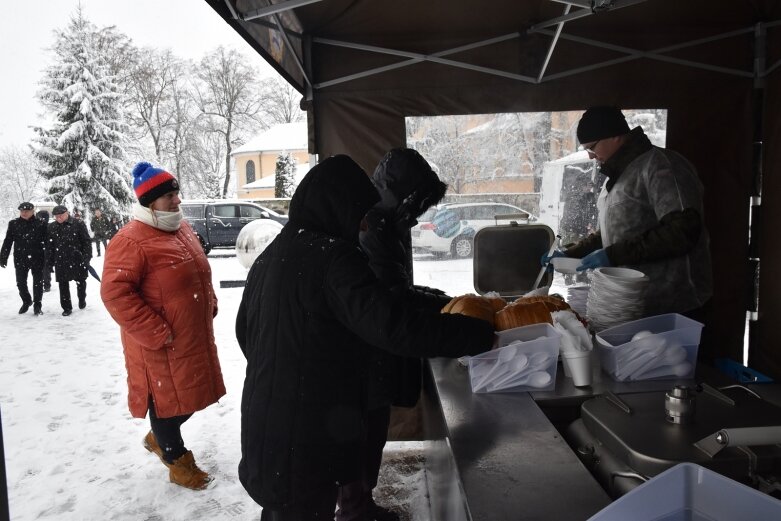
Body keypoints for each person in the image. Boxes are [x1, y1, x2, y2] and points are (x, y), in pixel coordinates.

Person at [236, 155, 496, 520]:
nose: (362, 223)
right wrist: (478, 332)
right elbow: (391, 325)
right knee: (303, 509)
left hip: (269, 420)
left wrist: (288, 371)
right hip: (303, 433)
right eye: (358, 212)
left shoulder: (273, 255)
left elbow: (244, 332)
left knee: (284, 509)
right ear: (336, 206)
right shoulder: (333, 258)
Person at [336, 148, 449, 521]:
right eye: (417, 202)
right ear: (401, 194)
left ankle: (360, 505)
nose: (418, 213)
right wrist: (446, 309)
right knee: (362, 438)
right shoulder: (373, 229)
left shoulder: (386, 222)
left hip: (373, 352)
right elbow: (392, 295)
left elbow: (397, 288)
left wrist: (442, 301)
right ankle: (354, 511)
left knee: (372, 434)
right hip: (364, 354)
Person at [100, 161, 225, 491]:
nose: (178, 200)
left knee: (193, 396)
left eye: (177, 193)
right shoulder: (130, 240)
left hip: (190, 335)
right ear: (150, 201)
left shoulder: (179, 229)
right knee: (167, 403)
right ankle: (177, 459)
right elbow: (115, 292)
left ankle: (160, 437)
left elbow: (199, 271)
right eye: (170, 195)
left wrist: (207, 300)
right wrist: (156, 330)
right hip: (159, 343)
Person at [544, 106, 713, 321]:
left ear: (615, 136)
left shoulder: (661, 166)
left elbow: (682, 230)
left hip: (675, 304)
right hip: (635, 302)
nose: (590, 156)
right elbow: (613, 234)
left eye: (592, 147)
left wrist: (612, 255)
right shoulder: (617, 176)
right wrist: (571, 254)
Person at [1, 202, 47, 315]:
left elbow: (47, 242)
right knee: (20, 283)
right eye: (22, 211)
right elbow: (8, 241)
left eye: (27, 211)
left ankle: (37, 304)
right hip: (20, 258)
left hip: (38, 257)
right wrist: (3, 257)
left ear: (32, 211)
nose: (24, 213)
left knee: (38, 283)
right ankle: (26, 301)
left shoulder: (41, 223)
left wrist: (50, 257)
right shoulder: (14, 224)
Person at [46, 205, 92, 316]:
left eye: (61, 215)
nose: (59, 218)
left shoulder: (78, 224)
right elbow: (50, 246)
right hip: (60, 260)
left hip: (77, 258)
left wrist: (86, 257)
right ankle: (67, 307)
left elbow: (86, 242)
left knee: (81, 282)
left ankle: (82, 299)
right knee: (63, 285)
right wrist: (50, 262)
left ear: (67, 213)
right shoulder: (52, 227)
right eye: (56, 216)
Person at [35, 210, 52, 292]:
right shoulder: (37, 226)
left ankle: (46, 285)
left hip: (45, 249)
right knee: (41, 269)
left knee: (45, 268)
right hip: (39, 249)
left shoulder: (47, 226)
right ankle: (43, 284)